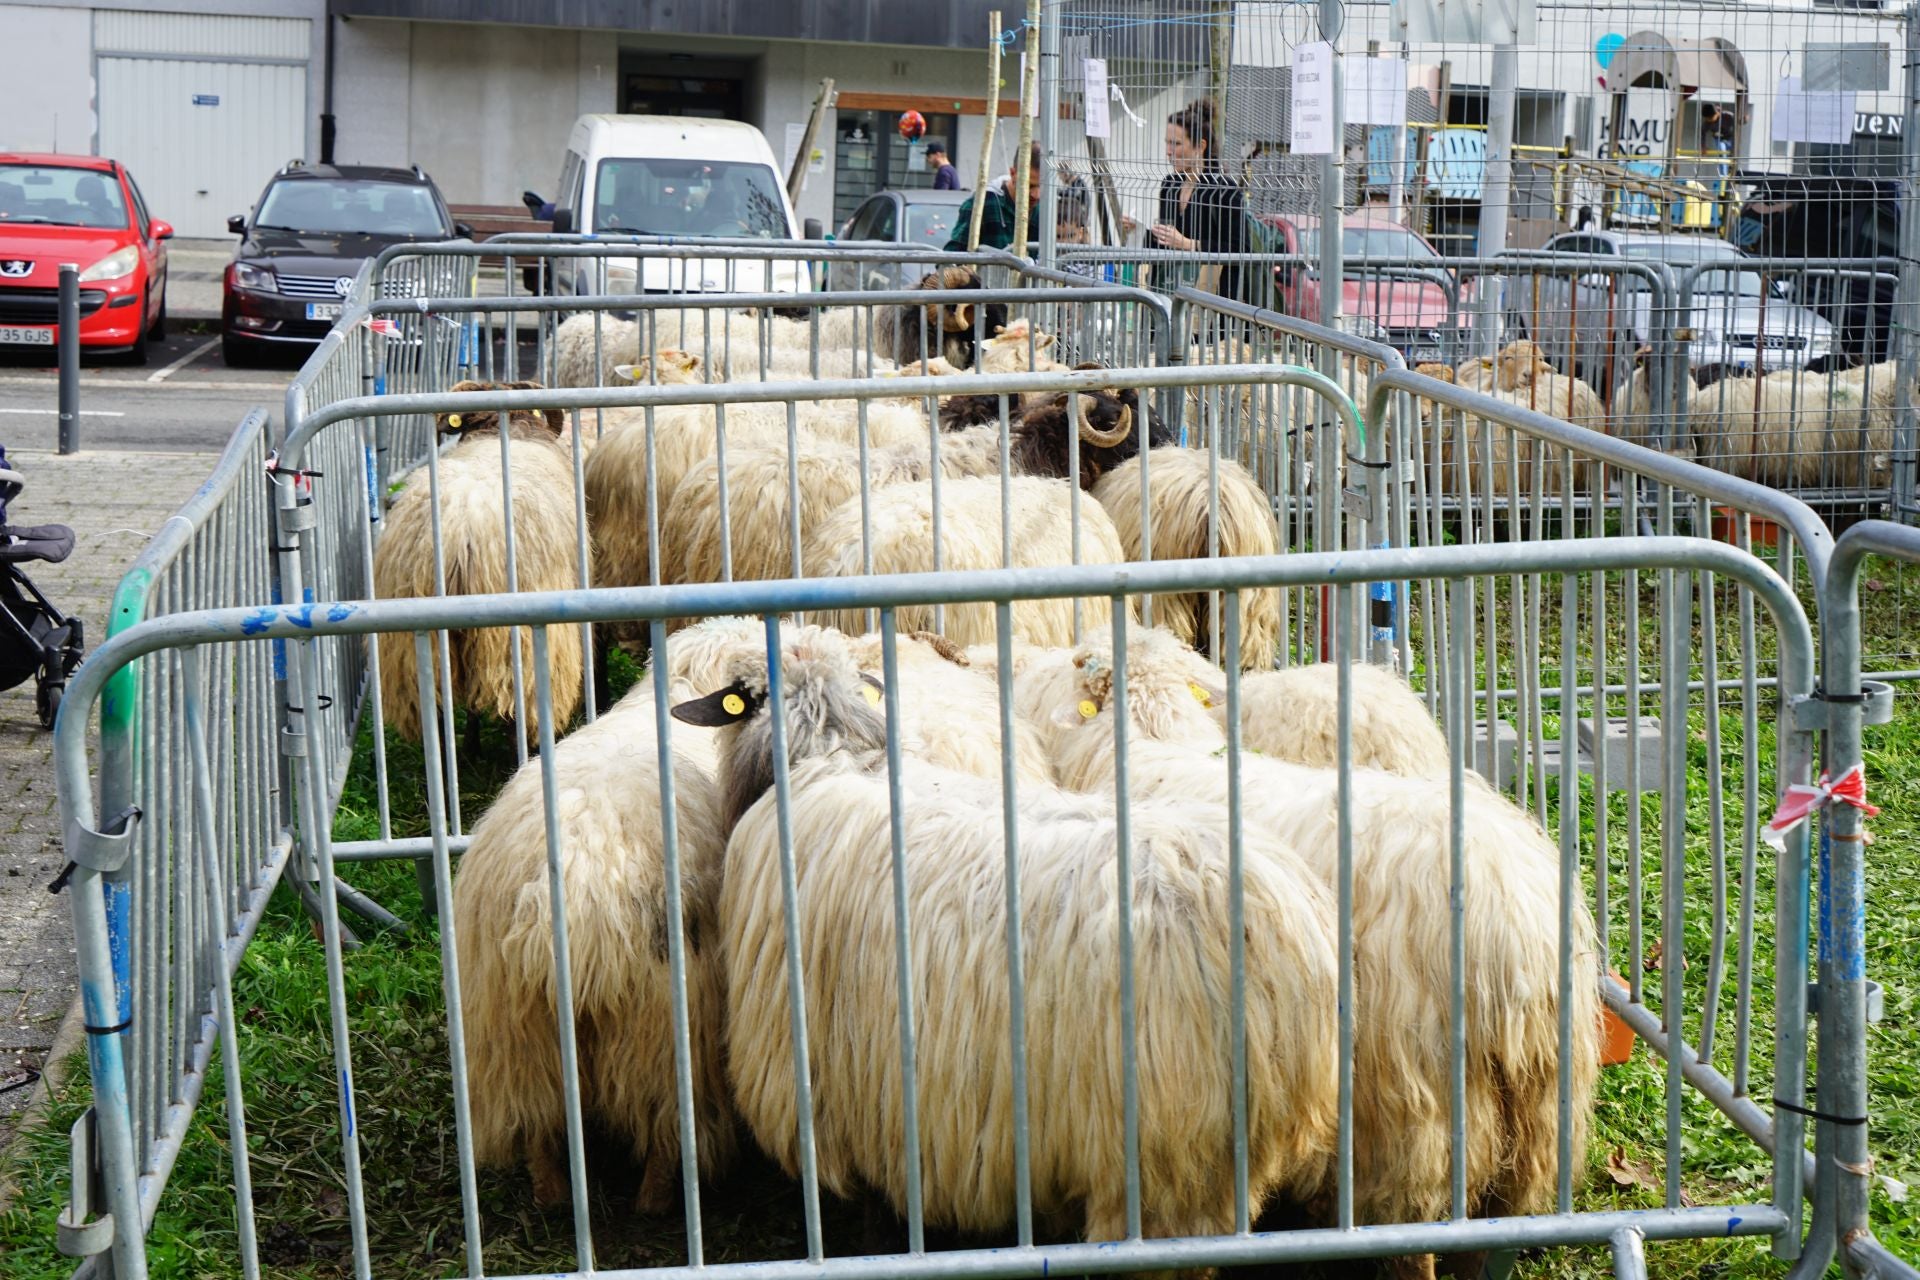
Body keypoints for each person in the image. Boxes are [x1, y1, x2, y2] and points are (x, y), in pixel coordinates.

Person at [1150, 98, 1247, 301]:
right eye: (1167, 143)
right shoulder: (1170, 185)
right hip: (1171, 292)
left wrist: (1189, 244)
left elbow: (1240, 249)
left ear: (1200, 146)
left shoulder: (1224, 189)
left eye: (1176, 144)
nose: (1168, 151)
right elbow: (1165, 242)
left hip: (1215, 302)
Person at [944, 148, 1043, 252]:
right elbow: (952, 256)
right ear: (1013, 173)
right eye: (1029, 185)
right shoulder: (982, 203)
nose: (1036, 195)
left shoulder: (1048, 208)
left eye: (1043, 186)